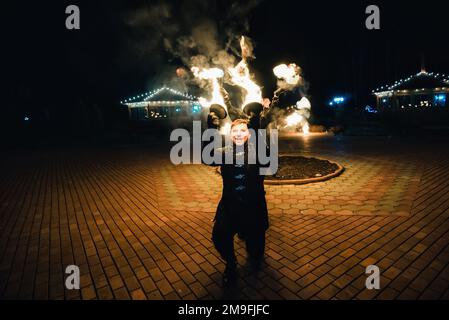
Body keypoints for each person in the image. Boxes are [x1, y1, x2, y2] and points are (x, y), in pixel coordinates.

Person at [206, 114, 271, 285]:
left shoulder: (258, 151)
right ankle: (231, 263)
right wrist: (211, 128)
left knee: (256, 254)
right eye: (235, 131)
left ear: (249, 134)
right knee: (219, 237)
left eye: (243, 130)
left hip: (254, 207)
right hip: (230, 206)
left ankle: (254, 255)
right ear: (230, 135)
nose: (239, 134)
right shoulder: (224, 152)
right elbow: (207, 157)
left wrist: (258, 130)